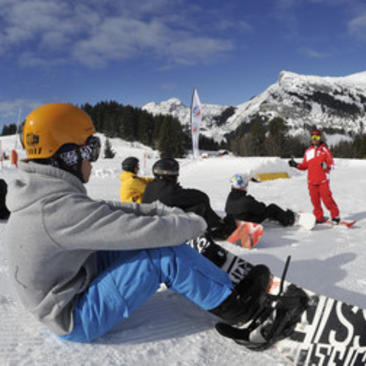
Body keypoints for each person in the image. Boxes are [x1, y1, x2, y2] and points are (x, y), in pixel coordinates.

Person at [4, 103, 271, 343]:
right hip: (72, 316)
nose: (93, 160)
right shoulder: (55, 210)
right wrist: (194, 223)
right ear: (69, 155)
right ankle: (239, 309)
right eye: (90, 148)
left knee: (147, 245)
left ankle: (203, 280)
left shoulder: (43, 194)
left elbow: (105, 209)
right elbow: (145, 232)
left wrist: (157, 210)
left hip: (72, 280)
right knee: (162, 253)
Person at [142, 157, 236, 240]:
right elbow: (200, 196)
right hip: (167, 230)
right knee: (199, 206)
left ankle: (215, 223)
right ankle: (218, 228)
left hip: (154, 226)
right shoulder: (170, 191)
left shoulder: (150, 186)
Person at [288, 129, 340, 224]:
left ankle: (335, 216)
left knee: (327, 200)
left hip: (323, 180)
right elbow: (304, 166)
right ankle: (318, 217)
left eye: (317, 137)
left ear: (320, 138)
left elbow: (332, 165)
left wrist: (326, 166)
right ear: (311, 138)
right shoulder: (308, 151)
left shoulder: (325, 150)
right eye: (313, 137)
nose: (315, 139)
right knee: (315, 202)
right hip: (311, 181)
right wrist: (295, 164)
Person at [225, 173, 295, 226]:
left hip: (234, 220)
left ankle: (275, 217)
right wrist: (257, 203)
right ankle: (289, 220)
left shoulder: (230, 196)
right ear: (244, 185)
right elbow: (261, 209)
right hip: (248, 222)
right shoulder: (247, 200)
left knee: (250, 210)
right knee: (272, 207)